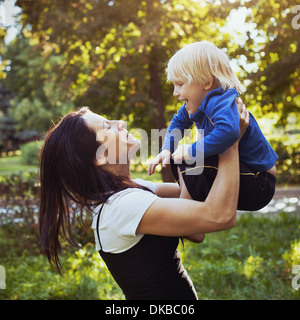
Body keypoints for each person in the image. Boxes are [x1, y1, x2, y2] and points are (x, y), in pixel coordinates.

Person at [39, 101, 247, 300]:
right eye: (107, 127)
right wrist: (230, 141)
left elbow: (193, 212)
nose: (119, 123)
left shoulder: (128, 191)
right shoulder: (122, 206)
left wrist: (201, 145)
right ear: (99, 157)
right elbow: (219, 216)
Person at [148, 41, 278, 211]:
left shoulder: (220, 100)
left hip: (259, 181)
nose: (175, 93)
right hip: (246, 175)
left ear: (206, 82)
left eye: (180, 84)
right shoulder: (198, 103)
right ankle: (187, 205)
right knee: (178, 157)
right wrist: (167, 149)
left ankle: (186, 212)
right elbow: (178, 122)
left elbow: (229, 131)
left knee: (190, 155)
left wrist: (190, 150)